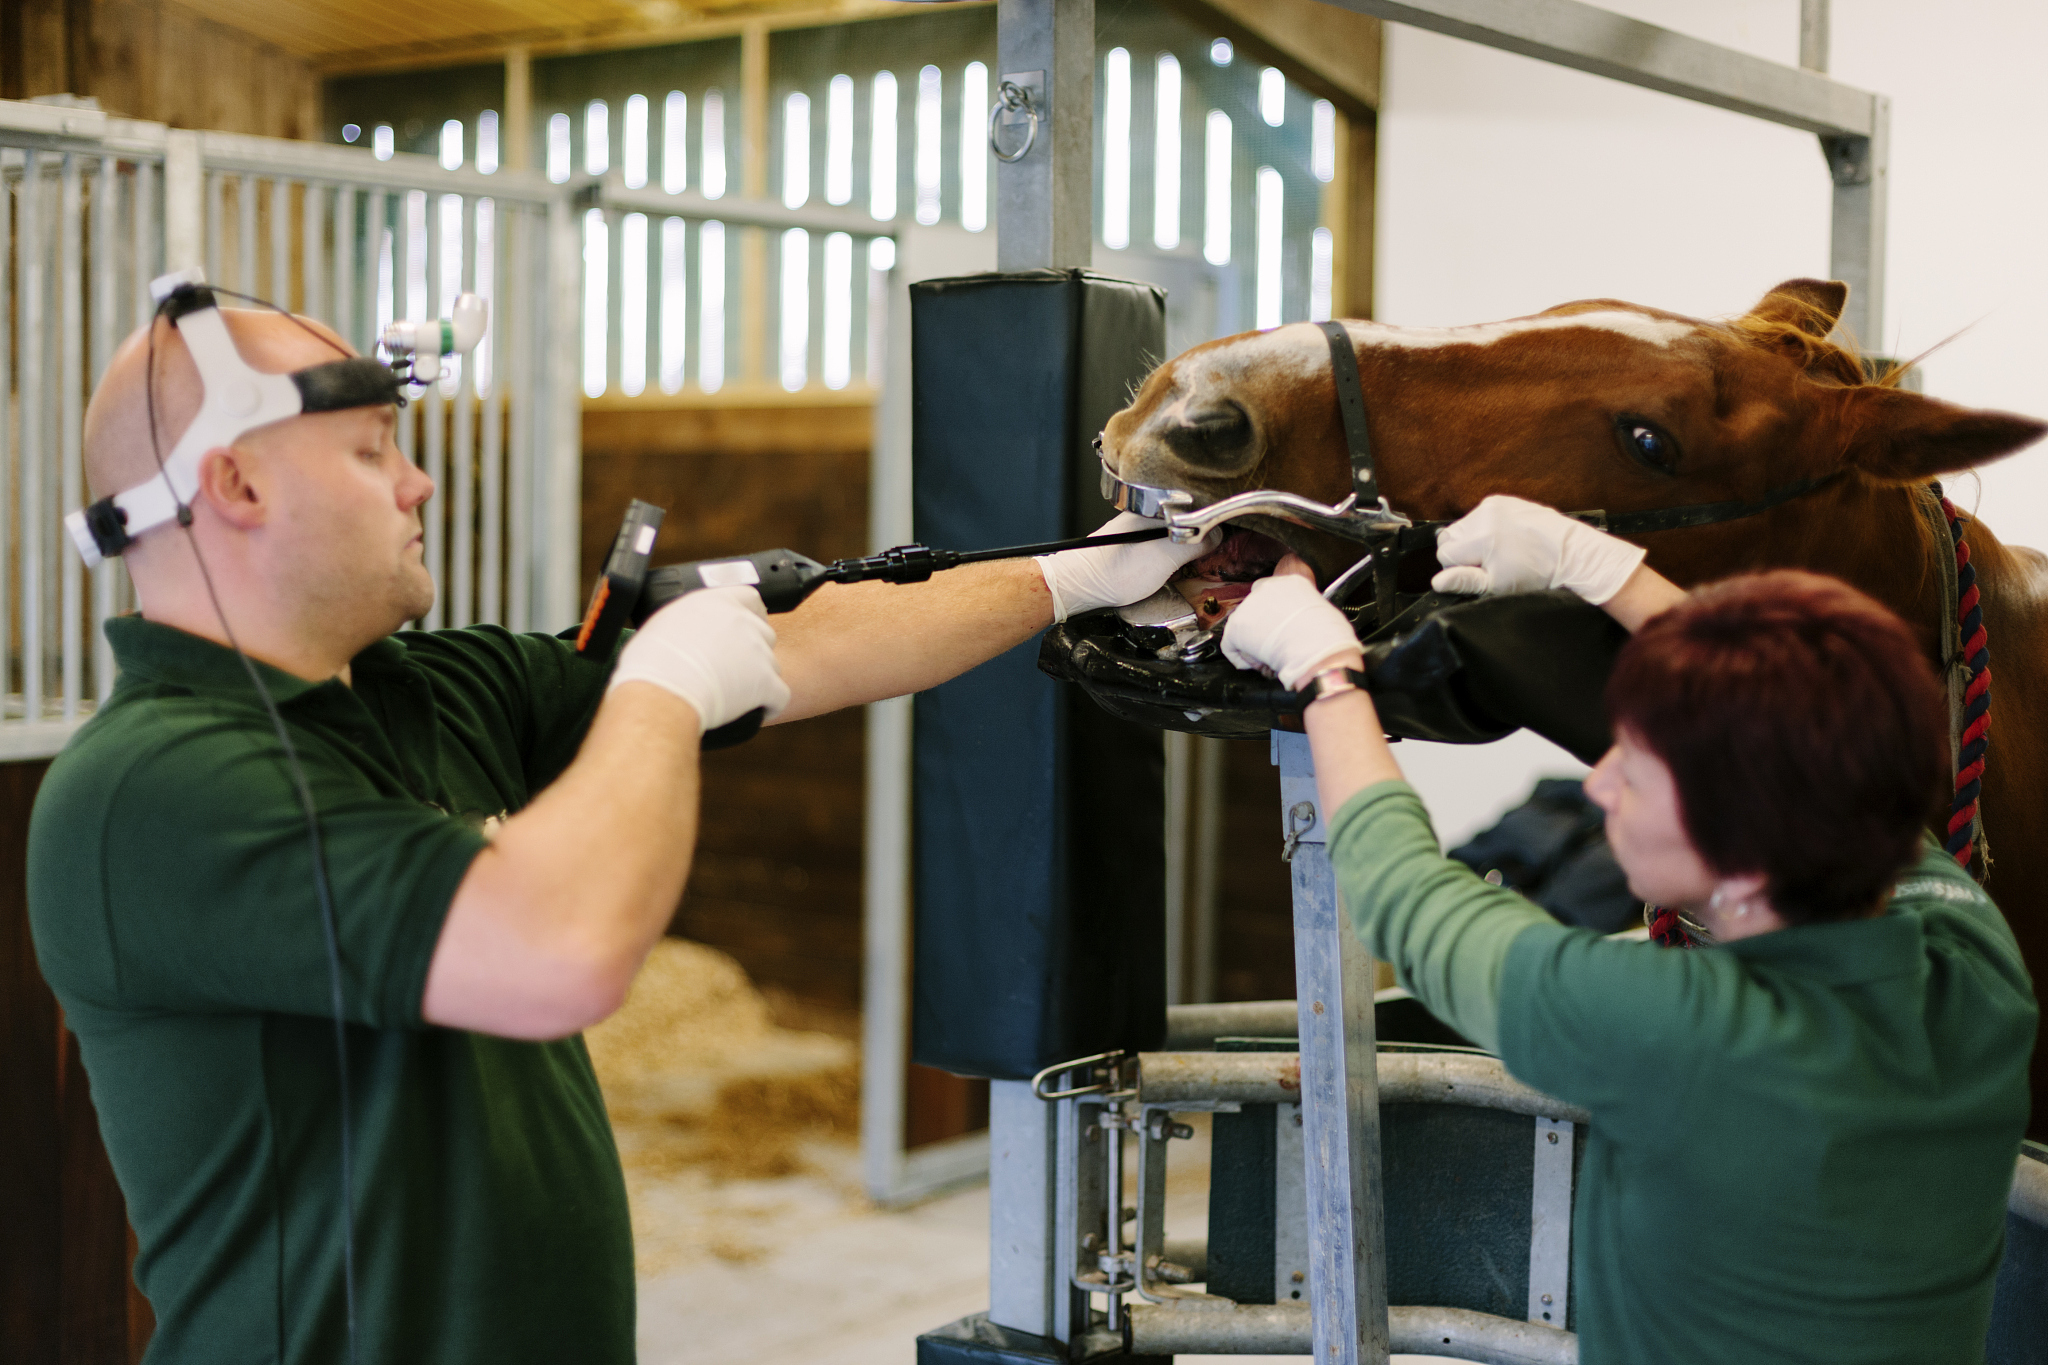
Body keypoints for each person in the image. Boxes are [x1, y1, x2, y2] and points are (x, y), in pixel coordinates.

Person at [25, 308, 1213, 1363]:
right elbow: (557, 950)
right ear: (236, 487)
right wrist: (660, 686)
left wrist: (1085, 576)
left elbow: (807, 647)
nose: (418, 483)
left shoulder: (419, 691)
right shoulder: (152, 790)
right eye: (372, 450)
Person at [1219, 494, 2036, 1362]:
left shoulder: (1693, 1035)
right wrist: (1602, 569)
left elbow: (1408, 898)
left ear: (1746, 852)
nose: (1600, 783)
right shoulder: (1970, 954)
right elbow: (1808, 757)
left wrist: (1325, 673)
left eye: (1639, 769)